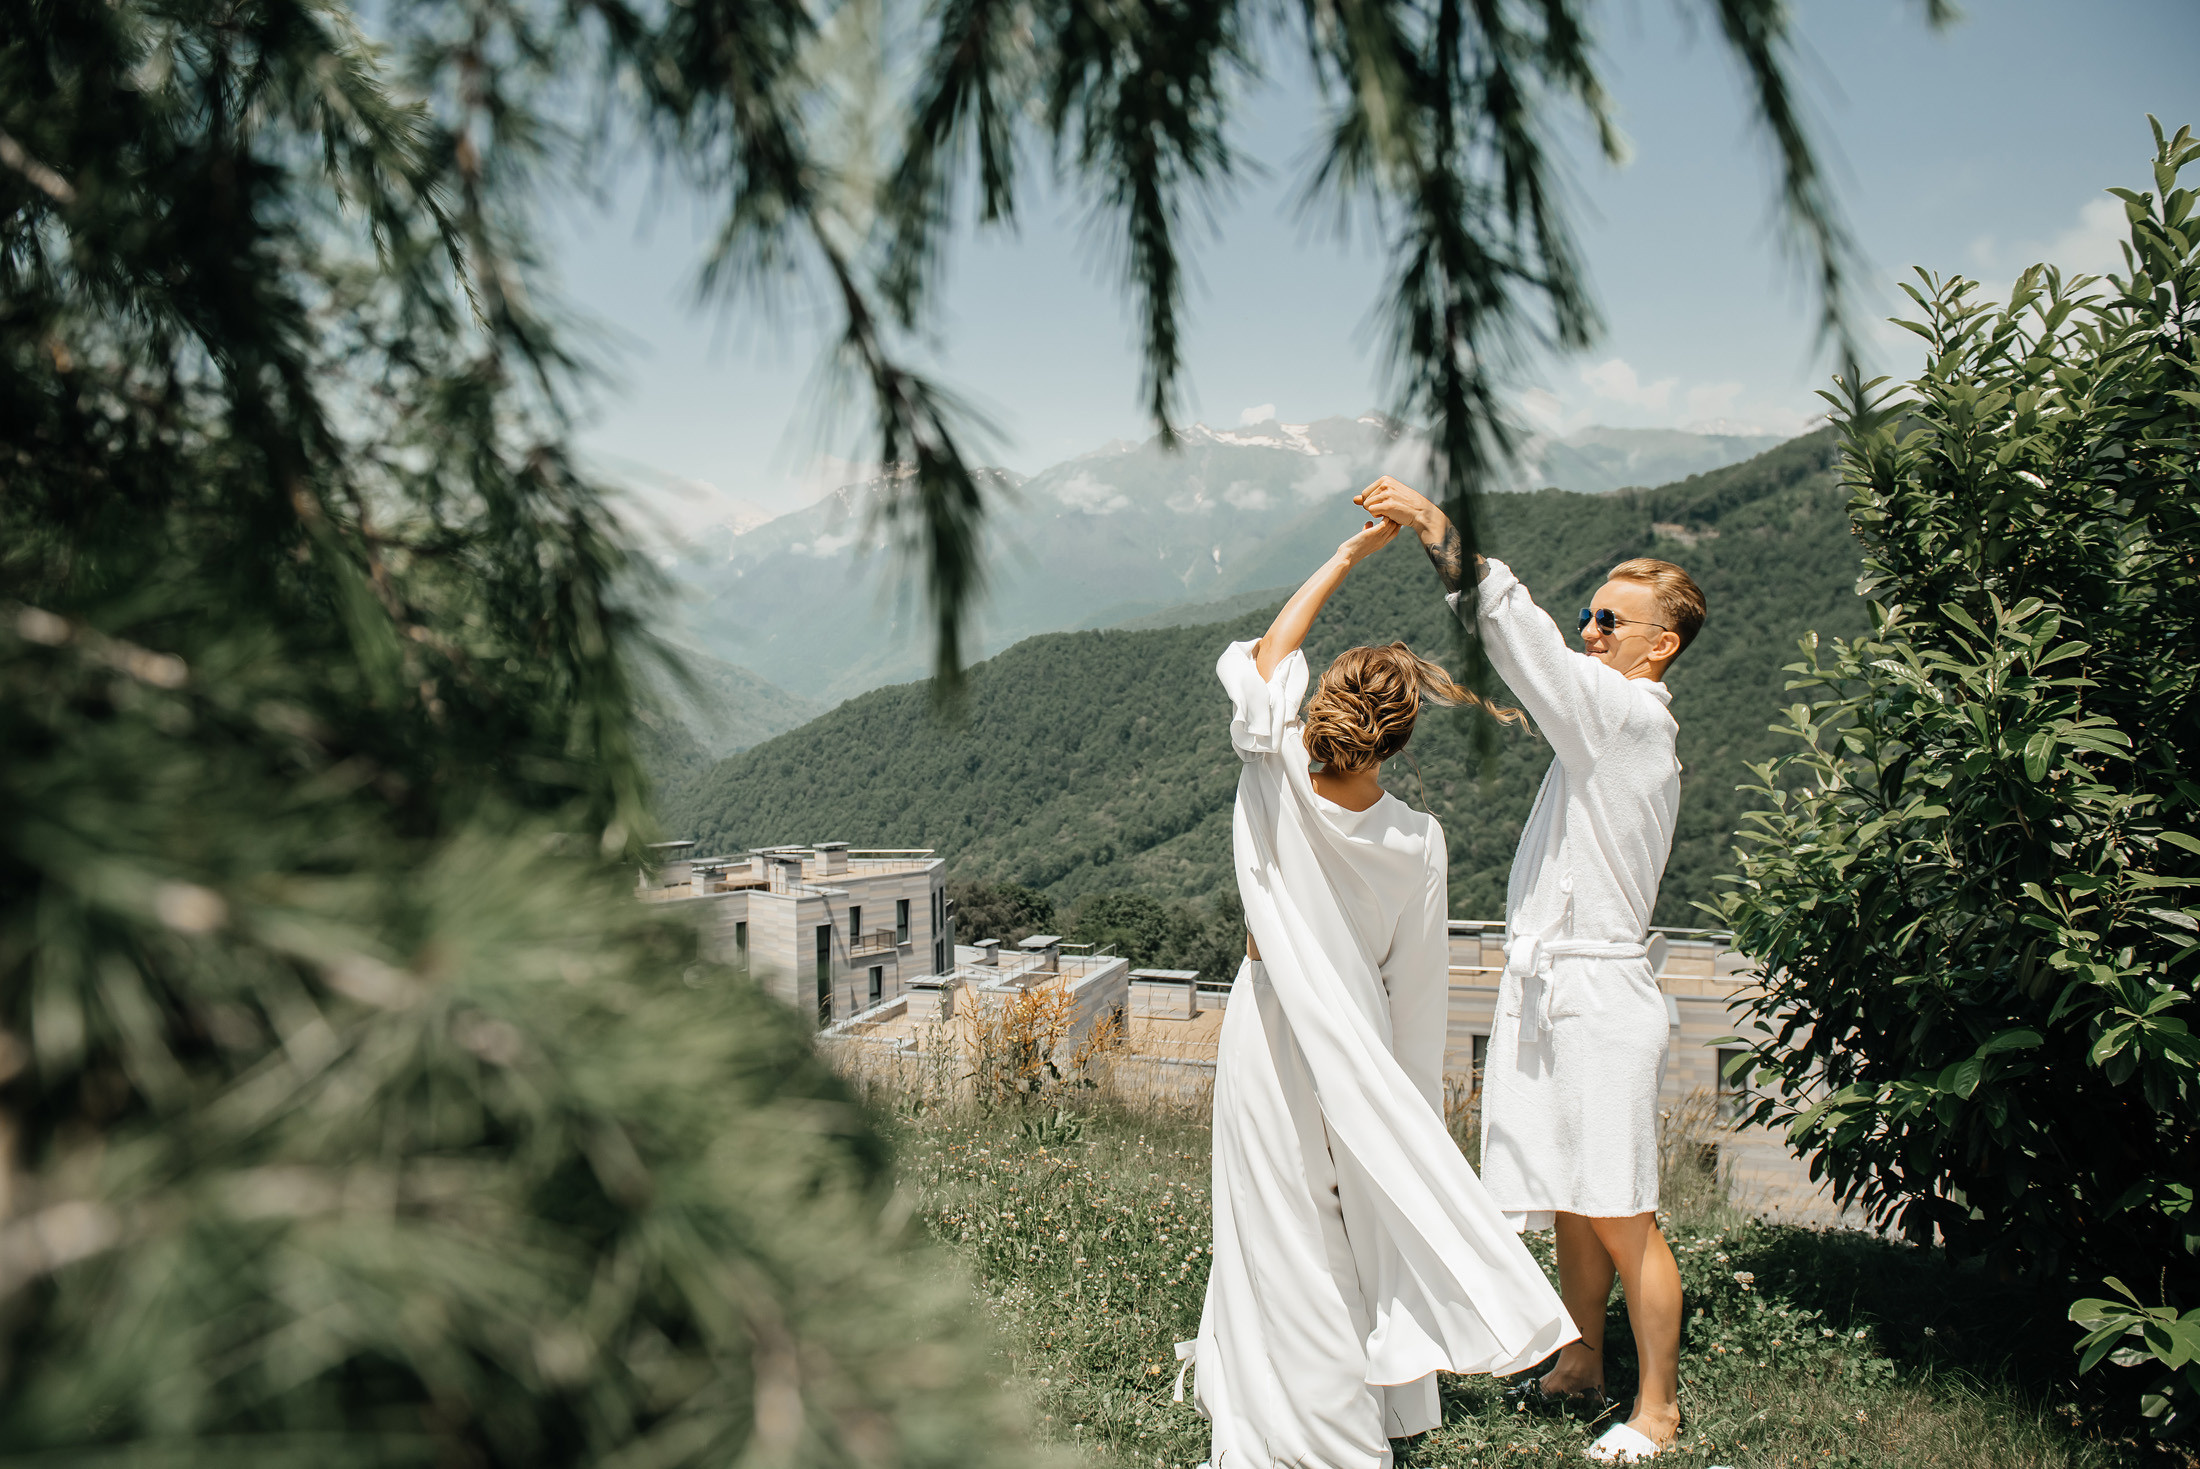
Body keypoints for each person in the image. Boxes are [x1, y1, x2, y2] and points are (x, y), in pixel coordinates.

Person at [1180, 511, 1577, 1469]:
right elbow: (1418, 989)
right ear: (1397, 740)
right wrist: (1406, 1106)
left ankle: (1315, 1428)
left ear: (1322, 705)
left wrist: (1349, 553)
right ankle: (1311, 1390)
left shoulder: (1274, 769)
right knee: (1347, 1225)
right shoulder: (1419, 840)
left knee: (1275, 1218)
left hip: (1271, 1025)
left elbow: (1265, 656)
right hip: (1360, 1044)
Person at [1355, 476, 1704, 1465]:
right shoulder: (1612, 722)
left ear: (1659, 645)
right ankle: (1580, 1361)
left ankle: (1658, 1408)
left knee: (1622, 1207)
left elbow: (1525, 643)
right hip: (1562, 991)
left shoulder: (1626, 719)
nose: (1590, 631)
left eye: (1609, 621)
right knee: (1569, 1191)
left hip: (1596, 996)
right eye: (1590, 613)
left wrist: (1437, 529)